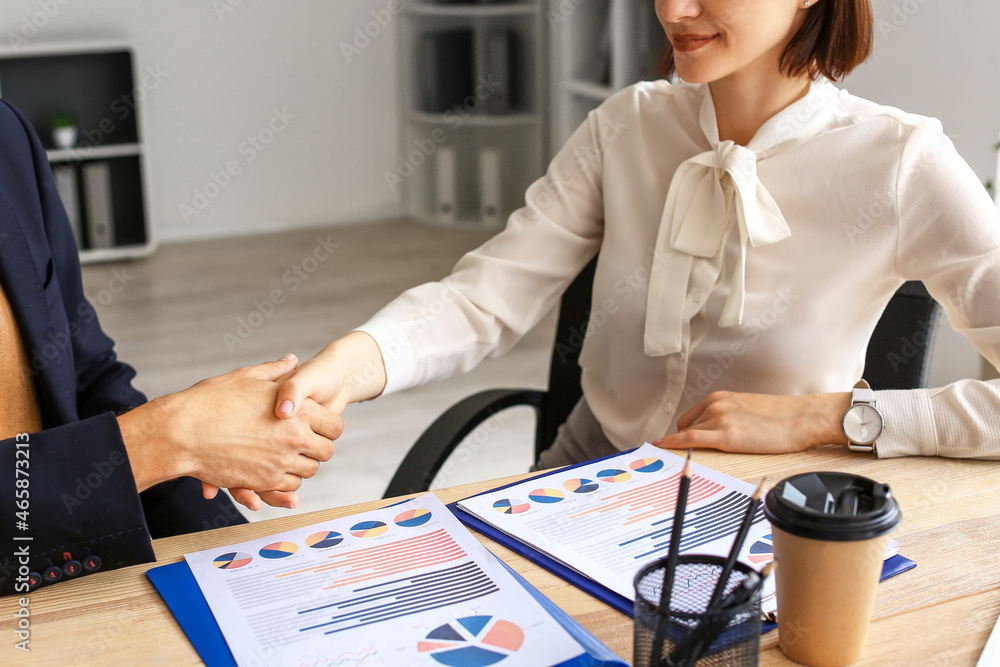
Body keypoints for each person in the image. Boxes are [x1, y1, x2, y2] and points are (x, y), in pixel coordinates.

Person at [268, 0, 1000, 474]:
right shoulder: (629, 124)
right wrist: (351, 362)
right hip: (582, 469)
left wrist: (827, 415)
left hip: (761, 504)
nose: (675, 10)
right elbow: (485, 297)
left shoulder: (902, 162)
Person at [0, 99, 341, 597]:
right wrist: (167, 439)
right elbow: (152, 439)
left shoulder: (7, 135)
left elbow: (86, 375)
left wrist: (232, 556)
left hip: (71, 575)